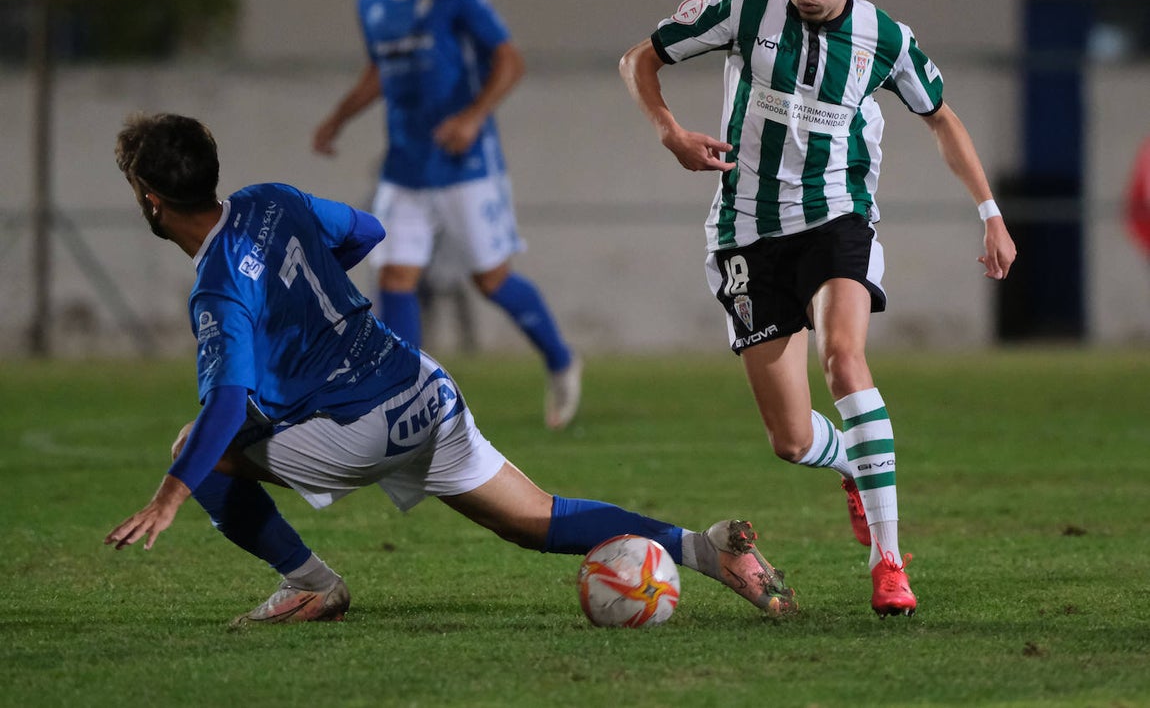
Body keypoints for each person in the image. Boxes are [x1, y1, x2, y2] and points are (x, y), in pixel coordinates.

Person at [102, 112, 797, 626]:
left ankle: (311, 583)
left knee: (197, 448)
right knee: (533, 518)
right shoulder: (271, 199)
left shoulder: (219, 285)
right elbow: (368, 232)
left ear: (150, 199)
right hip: (421, 388)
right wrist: (306, 305)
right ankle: (705, 550)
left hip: (358, 427)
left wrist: (168, 498)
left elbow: (226, 404)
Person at [619, 0, 1017, 618]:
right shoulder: (745, 6)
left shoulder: (884, 39)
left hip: (837, 217)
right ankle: (852, 464)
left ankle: (888, 562)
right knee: (792, 438)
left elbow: (942, 117)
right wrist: (670, 132)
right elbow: (639, 59)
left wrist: (990, 213)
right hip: (745, 230)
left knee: (843, 357)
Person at [311, 0, 581, 431]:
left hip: (465, 166)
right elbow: (379, 71)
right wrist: (338, 118)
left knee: (492, 279)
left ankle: (561, 360)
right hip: (404, 169)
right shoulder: (372, 3)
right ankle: (405, 398)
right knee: (394, 274)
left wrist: (473, 117)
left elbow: (510, 60)